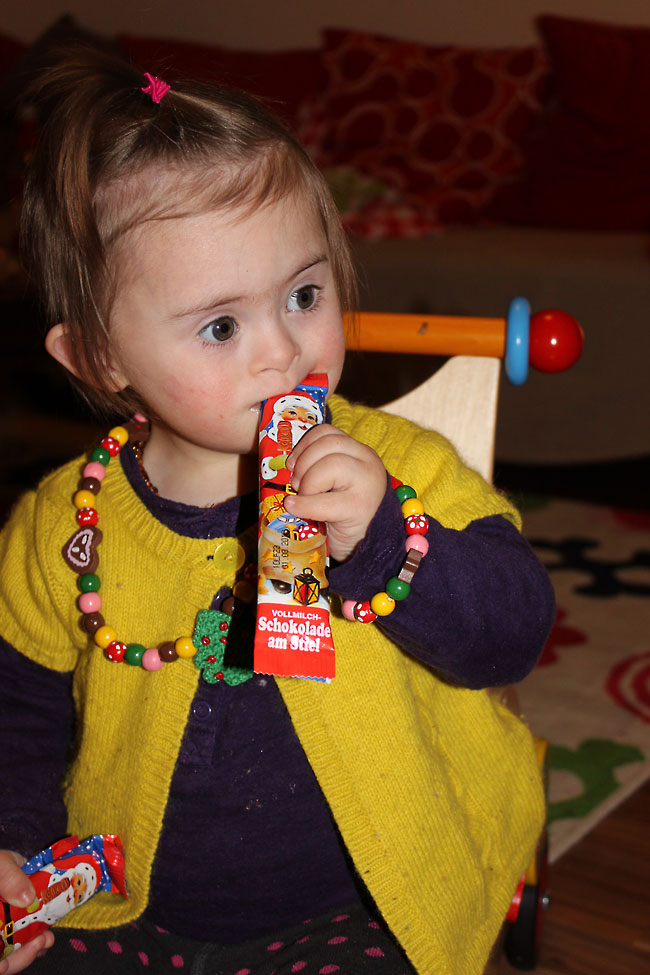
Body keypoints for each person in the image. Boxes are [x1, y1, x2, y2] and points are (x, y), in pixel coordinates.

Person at [0, 49, 555, 975]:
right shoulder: (65, 524)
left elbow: (513, 632)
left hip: (365, 902)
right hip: (124, 900)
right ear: (101, 358)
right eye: (221, 325)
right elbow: (18, 712)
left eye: (304, 293)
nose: (284, 351)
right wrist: (17, 844)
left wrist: (388, 541)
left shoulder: (406, 469)